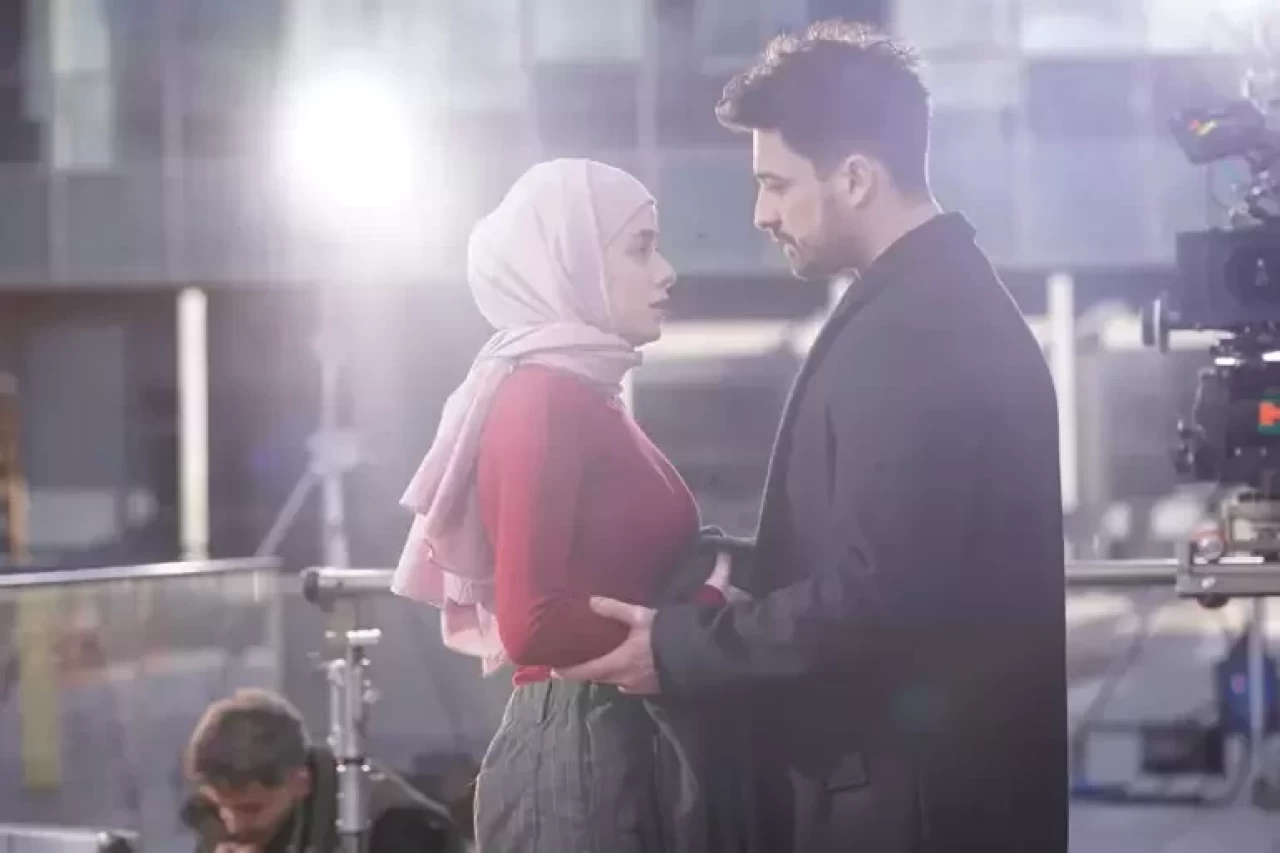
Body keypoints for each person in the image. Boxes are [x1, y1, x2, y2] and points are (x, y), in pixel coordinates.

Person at [556, 20, 1069, 853]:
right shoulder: (929, 301)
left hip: (915, 813)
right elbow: (886, 561)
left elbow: (879, 595)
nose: (760, 213)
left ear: (856, 177)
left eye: (777, 183)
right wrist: (718, 570)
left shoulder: (917, 328)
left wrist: (679, 650)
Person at [390, 158, 739, 853]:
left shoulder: (583, 392)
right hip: (582, 753)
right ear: (570, 260)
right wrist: (700, 616)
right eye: (640, 247)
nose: (666, 271)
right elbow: (533, 624)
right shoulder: (543, 395)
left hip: (608, 739)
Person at [180, 689, 461, 853]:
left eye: (251, 809)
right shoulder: (220, 825)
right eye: (220, 807)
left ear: (300, 782)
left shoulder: (399, 829)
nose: (234, 825)